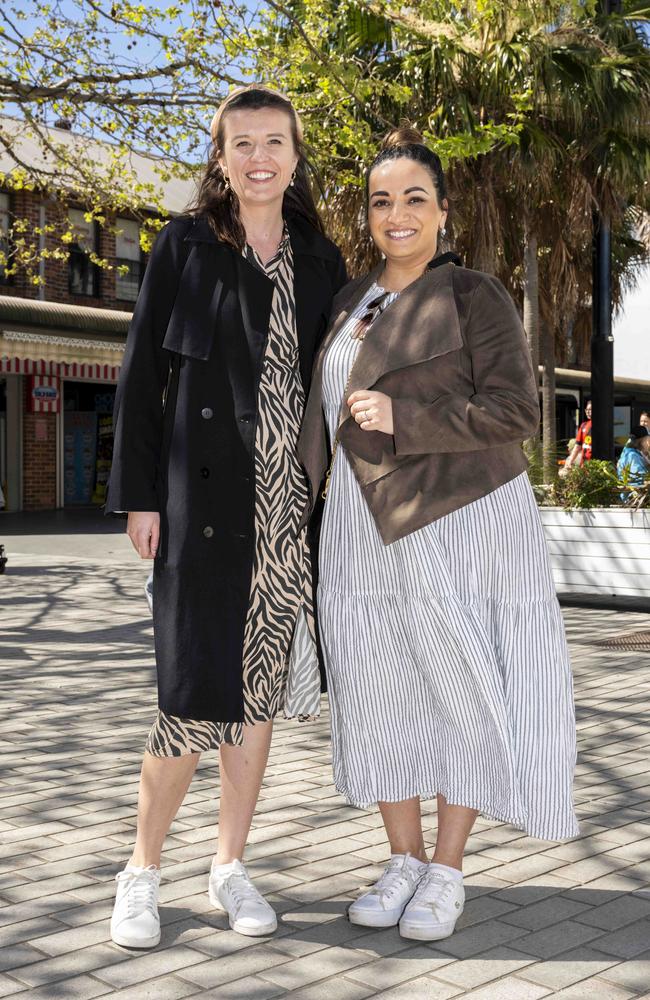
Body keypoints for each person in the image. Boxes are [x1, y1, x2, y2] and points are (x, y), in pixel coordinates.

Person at [298, 125, 578, 943]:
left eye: (415, 198)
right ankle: (404, 860)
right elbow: (319, 417)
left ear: (443, 212)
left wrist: (404, 415)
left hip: (453, 517)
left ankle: (449, 869)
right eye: (382, 200)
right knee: (374, 686)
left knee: (459, 684)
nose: (397, 213)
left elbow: (517, 414)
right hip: (354, 523)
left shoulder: (474, 296)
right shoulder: (348, 302)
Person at [105, 84, 346, 949]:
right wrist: (139, 497)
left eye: (273, 141)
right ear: (221, 154)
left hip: (286, 514)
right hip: (197, 505)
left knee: (255, 700)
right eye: (241, 142)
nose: (258, 157)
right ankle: (140, 871)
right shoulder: (184, 246)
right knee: (187, 698)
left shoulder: (322, 258)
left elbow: (343, 375)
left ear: (293, 154)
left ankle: (229, 867)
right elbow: (140, 379)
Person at [617, 424, 650, 499]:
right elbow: (638, 481)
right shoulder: (633, 456)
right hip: (632, 498)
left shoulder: (629, 453)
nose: (648, 444)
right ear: (642, 440)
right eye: (647, 440)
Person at [562, 399, 592, 474]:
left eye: (590, 409)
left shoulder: (601, 425)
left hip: (595, 463)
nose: (588, 412)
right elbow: (577, 446)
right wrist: (570, 461)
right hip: (584, 464)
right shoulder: (583, 425)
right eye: (587, 410)